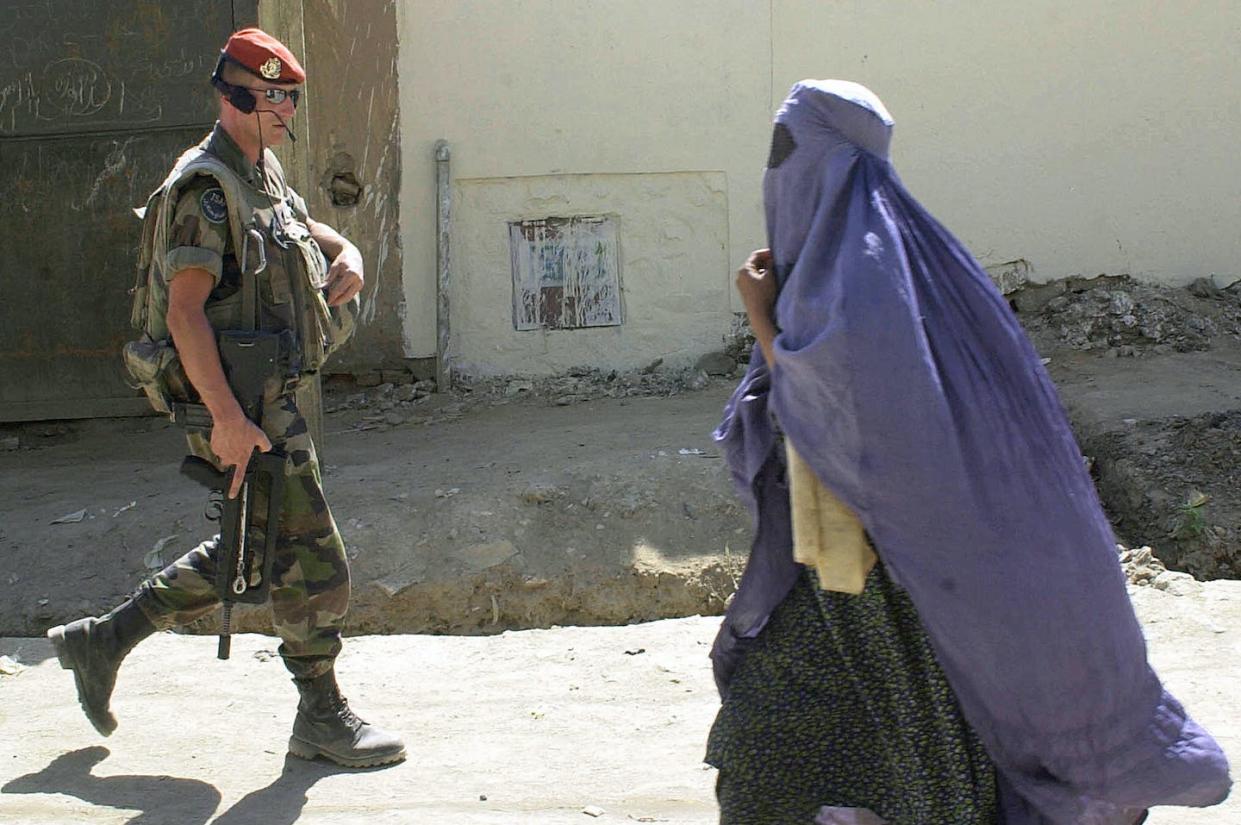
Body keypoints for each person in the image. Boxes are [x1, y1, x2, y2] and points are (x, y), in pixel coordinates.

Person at [706, 80, 1231, 824]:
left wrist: (762, 319)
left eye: (787, 152)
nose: (775, 169)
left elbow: (855, 414)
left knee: (830, 766)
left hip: (901, 597)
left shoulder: (867, 271)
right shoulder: (860, 262)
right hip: (834, 591)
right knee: (791, 760)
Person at [46, 28, 405, 769]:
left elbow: (300, 226)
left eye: (291, 99)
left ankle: (102, 639)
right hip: (241, 403)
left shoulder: (258, 172)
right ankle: (320, 715)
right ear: (235, 95)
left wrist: (349, 252)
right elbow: (184, 315)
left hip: (272, 397)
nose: (287, 112)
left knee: (255, 551)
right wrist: (227, 421)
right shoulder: (205, 189)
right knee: (316, 566)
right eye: (276, 98)